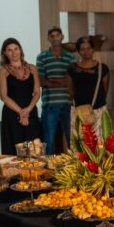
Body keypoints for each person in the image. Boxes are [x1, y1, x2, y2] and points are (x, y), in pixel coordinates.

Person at [0, 38, 41, 153]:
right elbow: (4, 96)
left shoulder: (32, 68)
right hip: (12, 113)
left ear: (20, 50)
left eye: (16, 49)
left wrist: (28, 110)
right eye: (9, 50)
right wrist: (21, 112)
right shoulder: (2, 71)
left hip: (31, 111)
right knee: (13, 148)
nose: (14, 52)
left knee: (34, 149)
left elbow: (37, 93)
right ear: (5, 53)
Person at [36, 26, 75, 154]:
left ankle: (76, 167)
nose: (55, 38)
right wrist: (64, 82)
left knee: (72, 139)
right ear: (48, 38)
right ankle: (49, 169)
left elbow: (73, 81)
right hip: (50, 104)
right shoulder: (42, 56)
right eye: (52, 36)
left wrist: (52, 80)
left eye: (57, 35)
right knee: (48, 139)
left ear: (62, 37)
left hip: (68, 103)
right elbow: (42, 81)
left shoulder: (70, 57)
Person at [68, 36, 110, 136]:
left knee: (100, 143)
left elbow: (105, 89)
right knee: (79, 143)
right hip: (78, 111)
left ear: (93, 49)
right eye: (82, 49)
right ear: (78, 51)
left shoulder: (102, 68)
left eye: (88, 48)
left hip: (98, 110)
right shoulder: (72, 68)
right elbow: (70, 90)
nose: (86, 52)